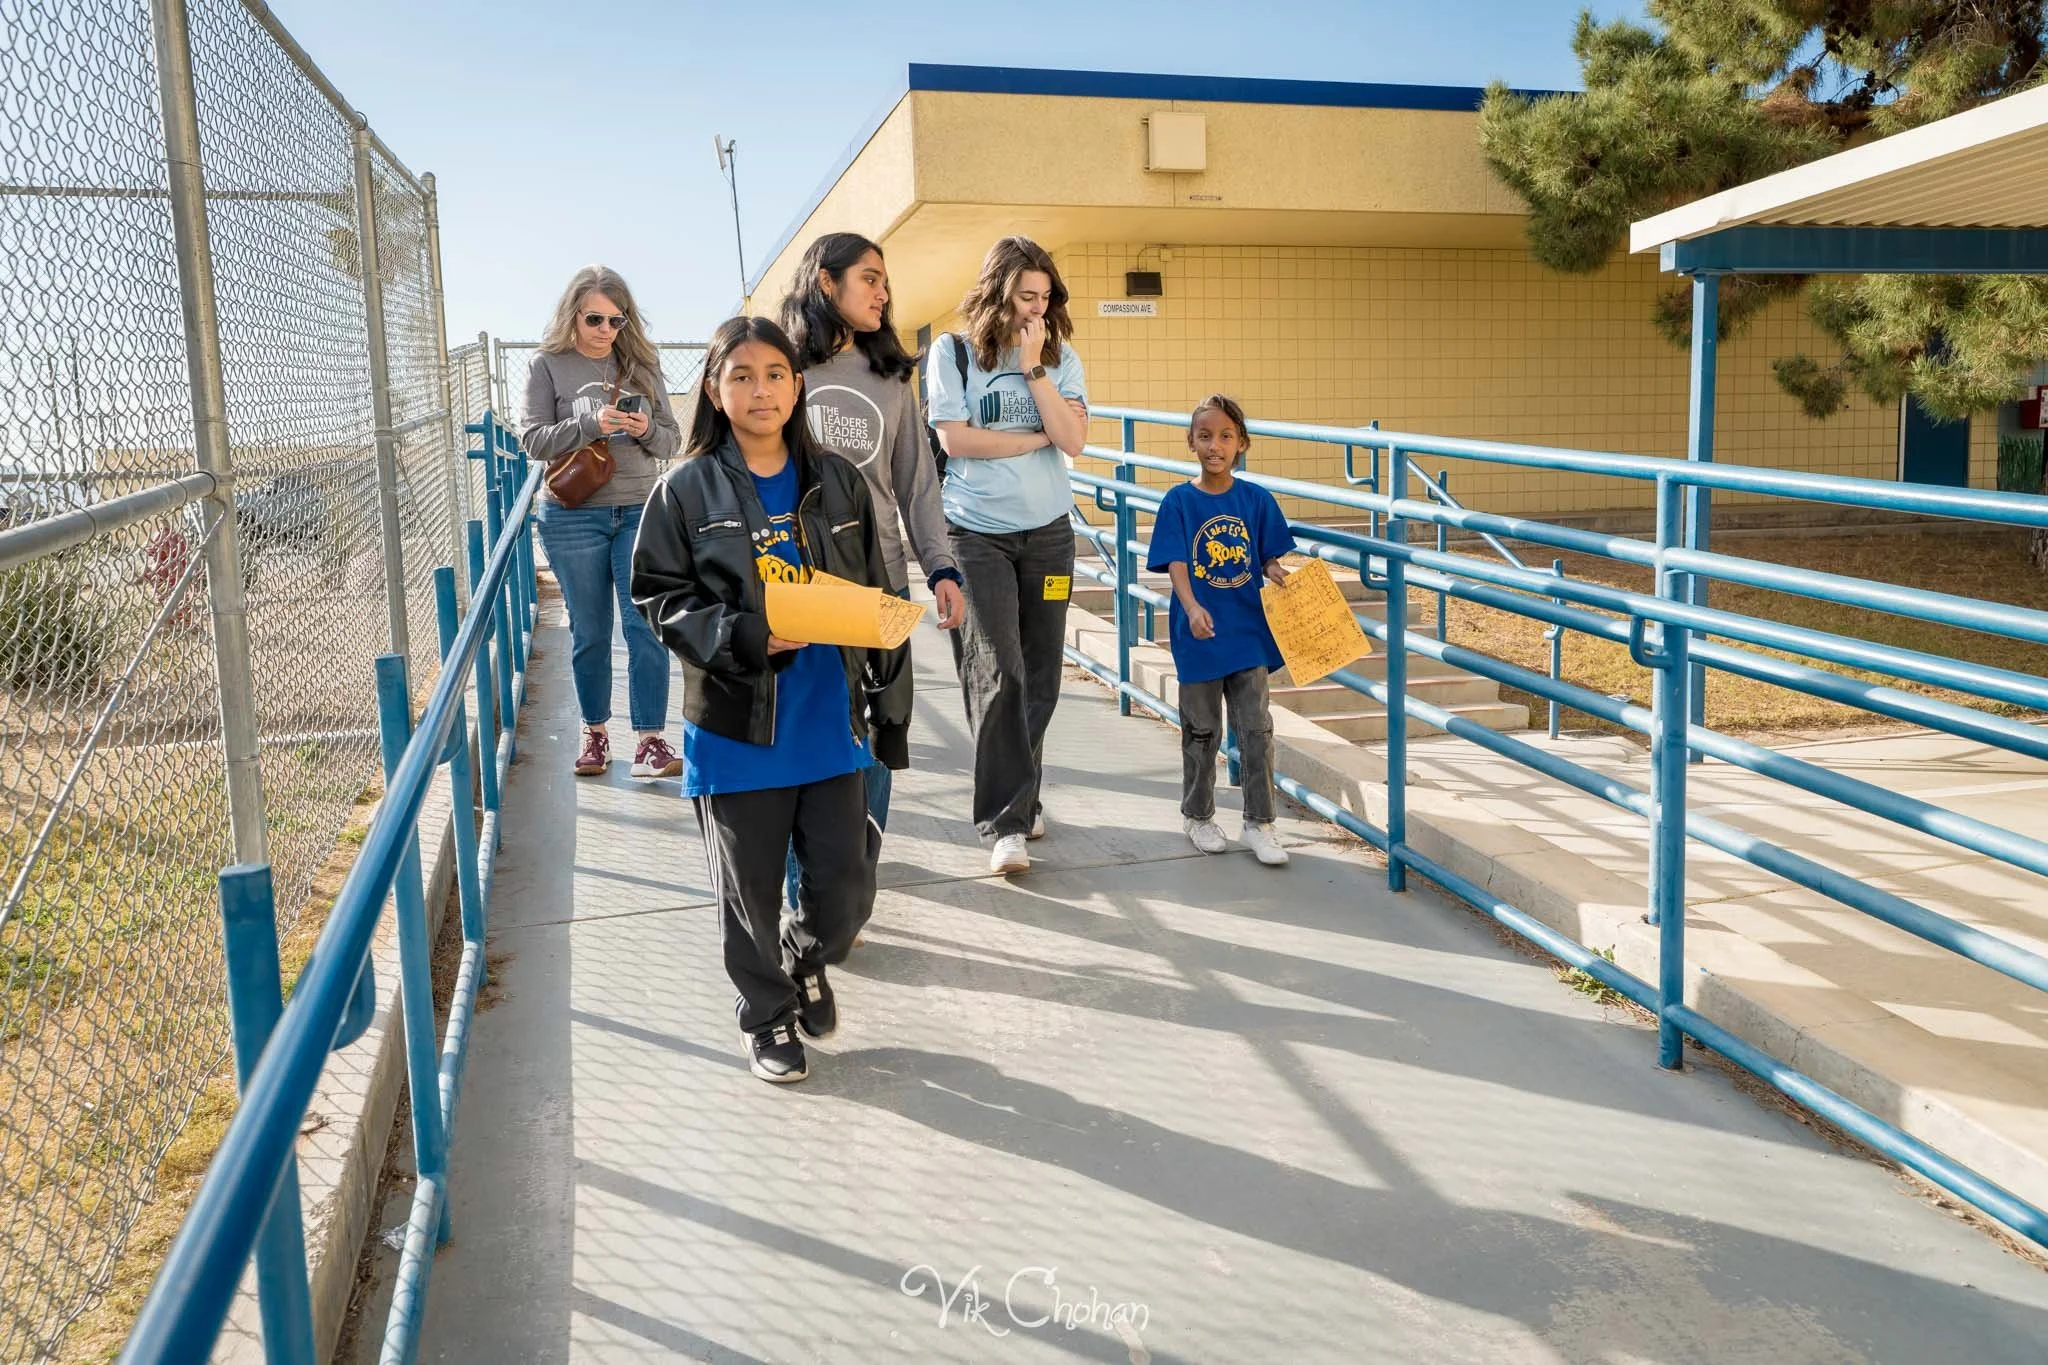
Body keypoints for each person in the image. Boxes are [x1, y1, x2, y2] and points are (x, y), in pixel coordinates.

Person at [631, 315, 912, 1085]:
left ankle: (806, 954)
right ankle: (766, 1016)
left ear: (798, 385)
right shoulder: (684, 489)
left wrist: (890, 701)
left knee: (847, 891)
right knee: (749, 895)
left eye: (777, 374)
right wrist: (749, 634)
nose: (762, 390)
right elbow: (659, 597)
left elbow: (878, 590)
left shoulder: (841, 482)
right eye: (743, 375)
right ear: (716, 390)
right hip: (736, 727)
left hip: (828, 719)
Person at [777, 233, 966, 912]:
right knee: (808, 734)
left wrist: (942, 566)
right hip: (801, 586)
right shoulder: (782, 368)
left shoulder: (891, 375)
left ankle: (850, 882)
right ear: (825, 283)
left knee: (877, 732)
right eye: (870, 278)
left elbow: (918, 485)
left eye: (886, 281)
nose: (884, 293)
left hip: (880, 579)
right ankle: (808, 890)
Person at [928, 237, 1089, 877]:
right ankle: (1007, 825)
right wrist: (1032, 441)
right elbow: (953, 438)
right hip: (977, 535)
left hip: (1049, 534)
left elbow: (1072, 440)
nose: (1037, 308)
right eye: (1027, 296)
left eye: (1046, 297)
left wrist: (1034, 370)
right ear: (998, 292)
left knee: (1042, 673)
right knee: (998, 671)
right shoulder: (954, 351)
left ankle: (1022, 795)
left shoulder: (1059, 358)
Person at [522, 265, 682, 779]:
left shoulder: (641, 365)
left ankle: (651, 741)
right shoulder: (547, 366)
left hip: (639, 507)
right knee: (591, 631)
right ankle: (594, 734)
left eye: (618, 320)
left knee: (645, 627)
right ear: (574, 314)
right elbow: (533, 440)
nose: (606, 330)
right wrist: (590, 422)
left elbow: (671, 442)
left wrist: (643, 428)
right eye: (595, 318)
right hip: (573, 517)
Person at [1145, 394, 1292, 867]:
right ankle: (1199, 814)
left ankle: (1259, 822)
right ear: (1191, 442)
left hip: (1247, 630)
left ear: (1241, 443)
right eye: (1205, 436)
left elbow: (1268, 554)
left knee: (1256, 728)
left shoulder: (1255, 499)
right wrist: (1190, 608)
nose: (1216, 445)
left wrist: (1275, 571)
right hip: (1199, 634)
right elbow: (1177, 563)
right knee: (1203, 730)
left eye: (1226, 436)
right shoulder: (1179, 501)